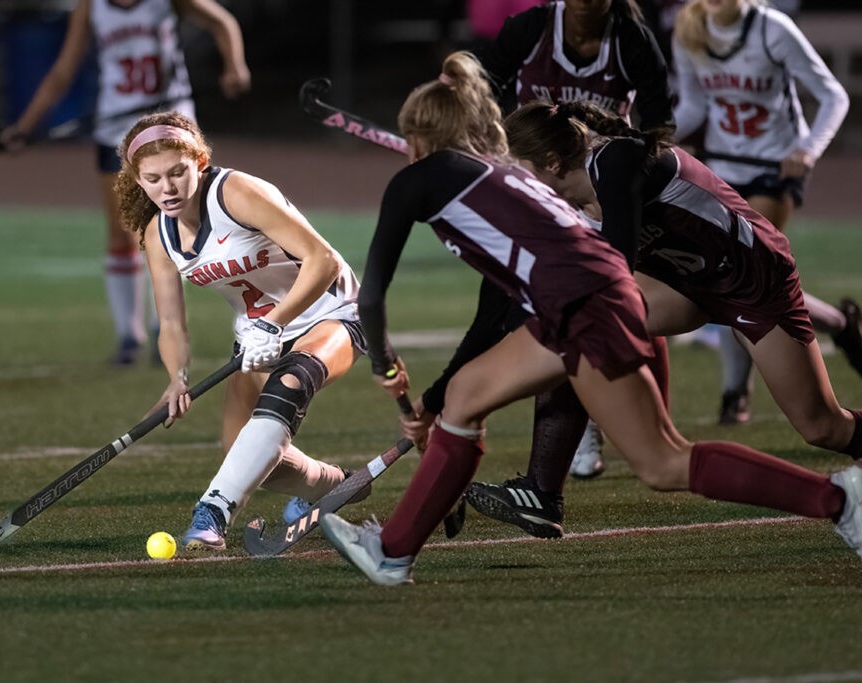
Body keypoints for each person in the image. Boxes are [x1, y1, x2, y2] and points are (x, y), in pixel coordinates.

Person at [317, 52, 862, 586]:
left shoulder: (580, 167)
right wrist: (433, 401)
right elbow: (497, 307)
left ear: (415, 141)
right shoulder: (508, 184)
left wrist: (389, 373)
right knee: (464, 395)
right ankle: (401, 547)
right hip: (611, 293)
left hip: (642, 291)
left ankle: (839, 501)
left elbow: (387, 298)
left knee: (665, 460)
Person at [466, 99, 862, 538]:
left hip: (753, 279)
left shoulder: (614, 160)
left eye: (519, 173)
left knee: (822, 427)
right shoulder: (564, 195)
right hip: (681, 282)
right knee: (571, 323)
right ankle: (541, 493)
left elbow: (613, 267)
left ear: (553, 162)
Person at [116, 112, 368, 550]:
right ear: (138, 180)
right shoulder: (159, 233)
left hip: (331, 310)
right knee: (244, 452)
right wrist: (177, 379)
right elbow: (172, 321)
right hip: (257, 336)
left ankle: (213, 512)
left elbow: (323, 260)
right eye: (153, 179)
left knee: (289, 386)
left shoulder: (235, 193)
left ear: (199, 161)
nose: (168, 188)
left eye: (178, 172)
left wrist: (274, 322)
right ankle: (331, 487)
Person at [459, 0, 675, 478]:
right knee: (522, 308)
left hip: (594, 189)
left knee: (597, 304)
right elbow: (481, 91)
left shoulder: (632, 39)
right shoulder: (531, 28)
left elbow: (659, 123)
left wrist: (621, 184)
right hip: (535, 188)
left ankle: (641, 426)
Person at [1, 0, 250, 366]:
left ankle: (165, 329)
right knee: (123, 232)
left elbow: (223, 22)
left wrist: (235, 65)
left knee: (174, 230)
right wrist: (25, 126)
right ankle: (128, 337)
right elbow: (63, 71)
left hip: (170, 124)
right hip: (116, 130)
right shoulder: (91, 6)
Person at [671, 0, 855, 424]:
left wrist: (807, 151)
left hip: (773, 168)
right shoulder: (689, 29)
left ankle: (735, 392)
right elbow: (694, 107)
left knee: (739, 269)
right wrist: (650, 140)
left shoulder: (772, 28)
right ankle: (840, 324)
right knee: (737, 277)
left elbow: (833, 96)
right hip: (721, 168)